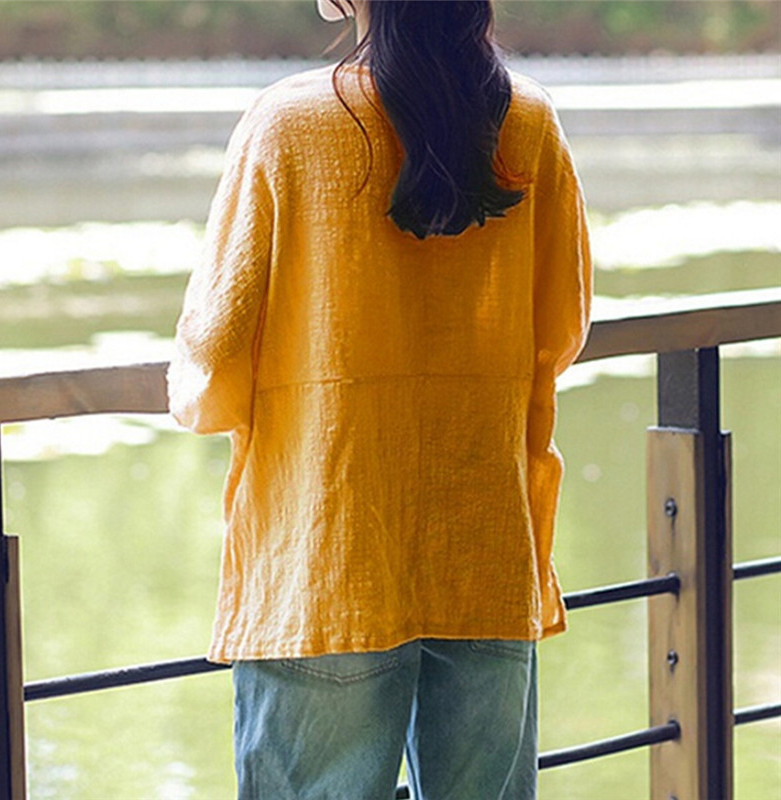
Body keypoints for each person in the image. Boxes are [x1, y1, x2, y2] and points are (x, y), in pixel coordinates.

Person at [168, 1, 592, 797]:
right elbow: (561, 332)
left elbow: (213, 368)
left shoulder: (288, 123)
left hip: (328, 550)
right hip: (486, 543)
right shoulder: (527, 120)